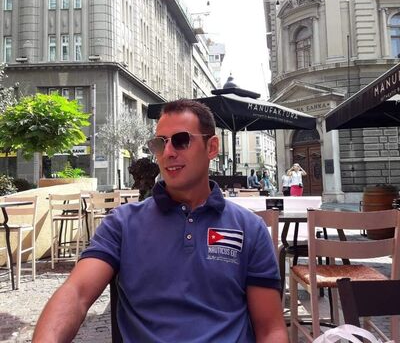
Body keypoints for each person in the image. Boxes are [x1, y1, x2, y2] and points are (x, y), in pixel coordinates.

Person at [33, 99, 288, 342]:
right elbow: (76, 293)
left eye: (181, 141)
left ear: (211, 147)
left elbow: (270, 330)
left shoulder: (250, 229)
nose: (167, 152)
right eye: (159, 143)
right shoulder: (122, 224)